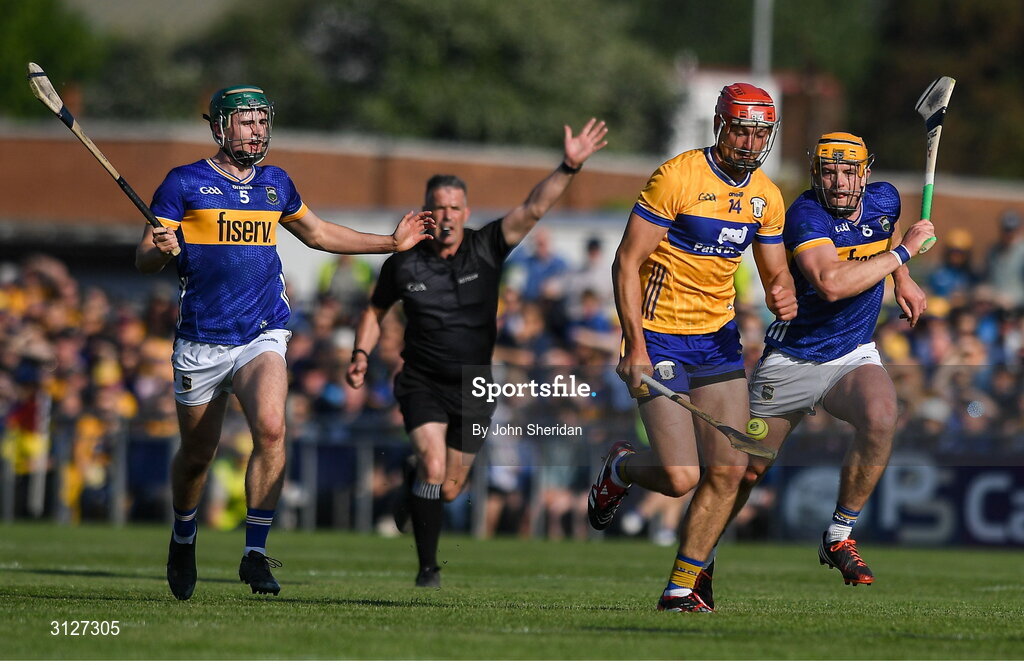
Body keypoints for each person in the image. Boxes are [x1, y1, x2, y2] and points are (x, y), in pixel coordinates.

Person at [135, 85, 435, 601]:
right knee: (197, 457)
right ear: (220, 127)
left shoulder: (276, 185)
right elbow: (144, 258)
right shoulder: (183, 184)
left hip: (262, 332)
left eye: (262, 121)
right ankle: (184, 536)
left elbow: (318, 234)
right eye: (247, 122)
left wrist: (390, 243)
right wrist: (161, 249)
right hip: (202, 342)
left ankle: (255, 553)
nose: (258, 130)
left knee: (272, 429)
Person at [345, 119, 608, 587]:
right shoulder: (403, 262)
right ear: (426, 212)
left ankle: (412, 494)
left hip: (474, 386)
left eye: (453, 207)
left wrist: (569, 166)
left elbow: (532, 208)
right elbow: (375, 309)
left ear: (465, 211)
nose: (445, 215)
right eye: (437, 207)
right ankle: (428, 569)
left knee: (447, 488)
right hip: (422, 380)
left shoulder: (487, 246)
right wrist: (361, 354)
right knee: (431, 463)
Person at [592, 82, 797, 612]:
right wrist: (634, 344)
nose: (751, 143)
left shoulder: (766, 198)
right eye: (742, 130)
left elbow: (775, 272)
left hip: (718, 344)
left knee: (730, 471)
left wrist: (784, 294)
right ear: (720, 127)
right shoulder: (677, 176)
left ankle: (680, 587)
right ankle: (621, 470)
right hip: (659, 334)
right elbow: (626, 261)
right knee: (683, 477)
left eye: (761, 133)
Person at [708, 132, 933, 601]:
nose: (839, 180)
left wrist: (903, 278)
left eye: (849, 171)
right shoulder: (805, 215)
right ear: (817, 174)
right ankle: (700, 557)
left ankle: (839, 535)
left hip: (851, 352)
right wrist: (905, 255)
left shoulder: (885, 199)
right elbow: (831, 283)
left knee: (882, 415)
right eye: (829, 171)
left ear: (865, 173)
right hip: (792, 358)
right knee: (747, 472)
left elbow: (883, 236)